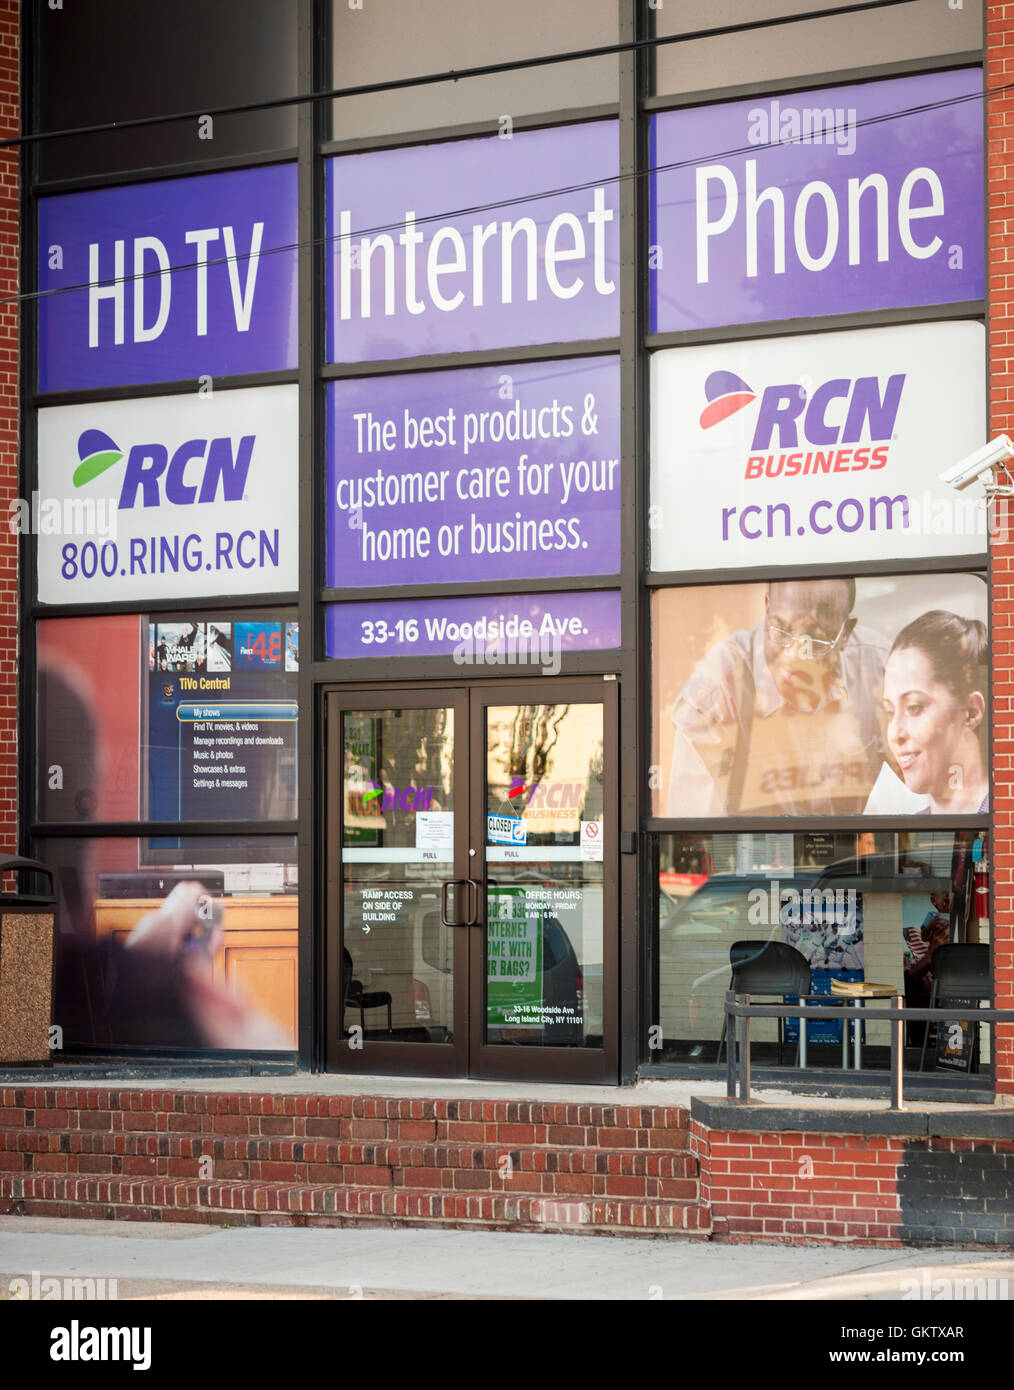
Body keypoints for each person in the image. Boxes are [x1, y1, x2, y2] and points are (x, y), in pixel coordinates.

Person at [667, 578, 889, 815]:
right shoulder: (717, 691)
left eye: (817, 641)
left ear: (846, 632)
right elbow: (693, 835)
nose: (794, 656)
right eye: (781, 631)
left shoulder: (882, 666)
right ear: (767, 608)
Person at [875, 610, 988, 815]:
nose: (895, 734)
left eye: (914, 708)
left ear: (971, 712)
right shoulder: (915, 831)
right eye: (890, 712)